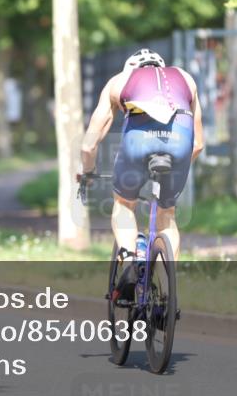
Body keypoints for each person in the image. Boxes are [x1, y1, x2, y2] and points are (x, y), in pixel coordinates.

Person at [79, 48, 204, 263]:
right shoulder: (186, 78)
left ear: (129, 68)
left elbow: (88, 145)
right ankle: (167, 278)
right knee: (167, 213)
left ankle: (129, 259)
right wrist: (178, 169)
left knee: (124, 204)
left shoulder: (119, 81)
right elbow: (198, 144)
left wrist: (88, 172)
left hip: (138, 141)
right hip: (180, 140)